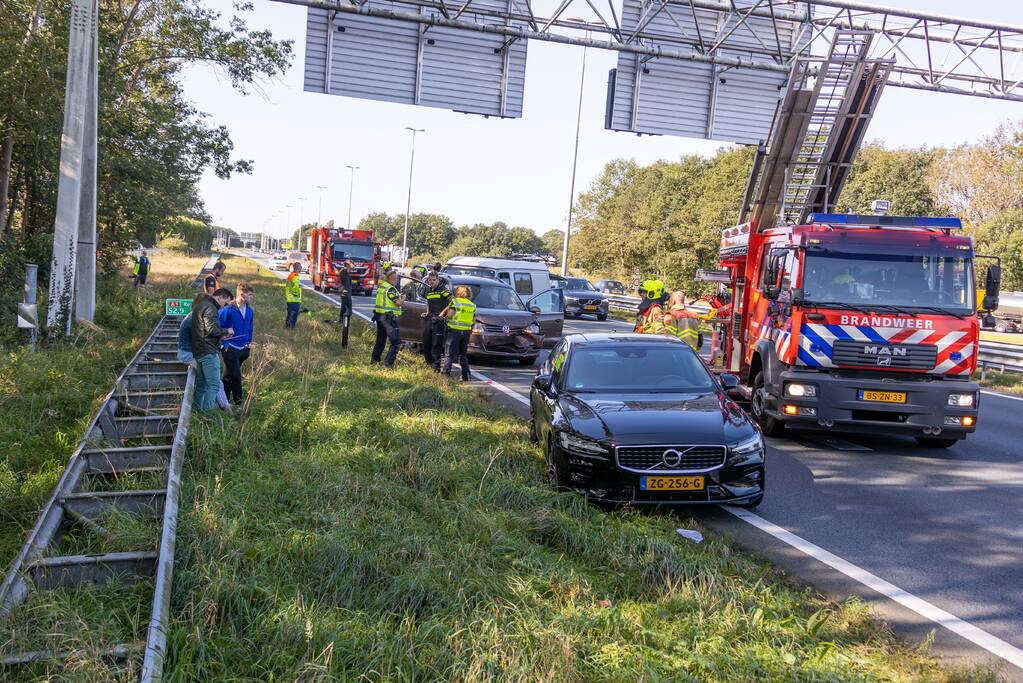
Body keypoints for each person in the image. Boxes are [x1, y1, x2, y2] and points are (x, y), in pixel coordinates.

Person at [190, 288, 233, 412]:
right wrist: (226, 331)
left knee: (202, 384)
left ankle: (198, 411)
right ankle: (207, 414)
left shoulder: (201, 305)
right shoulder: (211, 308)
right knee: (214, 385)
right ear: (220, 297)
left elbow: (205, 330)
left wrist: (221, 335)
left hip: (199, 351)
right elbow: (211, 330)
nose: (225, 306)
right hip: (208, 351)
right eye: (226, 302)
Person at [220, 284, 254, 405]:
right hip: (230, 347)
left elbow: (250, 328)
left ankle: (223, 401)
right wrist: (224, 344)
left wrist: (249, 342)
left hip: (243, 348)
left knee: (228, 375)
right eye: (250, 295)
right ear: (242, 295)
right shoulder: (228, 310)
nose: (252, 297)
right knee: (236, 375)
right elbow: (218, 326)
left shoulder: (250, 310)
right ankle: (239, 403)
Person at [441, 284, 476, 381]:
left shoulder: (455, 302)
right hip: (466, 332)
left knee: (449, 354)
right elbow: (473, 320)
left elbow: (450, 315)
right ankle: (466, 376)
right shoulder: (471, 305)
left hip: (454, 331)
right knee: (463, 354)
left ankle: (445, 375)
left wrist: (445, 316)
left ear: (458, 293)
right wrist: (470, 330)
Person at [371, 268, 403, 367]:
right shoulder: (390, 289)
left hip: (379, 316)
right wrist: (403, 298)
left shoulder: (382, 286)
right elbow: (398, 303)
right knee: (396, 341)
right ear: (389, 278)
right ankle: (387, 364)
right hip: (388, 318)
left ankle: (374, 361)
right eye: (394, 278)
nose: (396, 280)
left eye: (397, 278)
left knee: (380, 340)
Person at [421, 271, 451, 371]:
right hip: (430, 319)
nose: (432, 282)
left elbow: (452, 302)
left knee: (436, 345)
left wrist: (443, 313)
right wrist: (427, 313)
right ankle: (428, 364)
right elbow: (428, 303)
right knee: (426, 343)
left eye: (434, 280)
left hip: (439, 321)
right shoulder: (429, 290)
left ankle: (436, 367)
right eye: (430, 280)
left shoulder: (443, 290)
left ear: (438, 280)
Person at [285, 261, 302, 329]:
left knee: (289, 314)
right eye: (300, 267)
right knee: (294, 314)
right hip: (294, 299)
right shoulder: (295, 276)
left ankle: (287, 326)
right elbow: (295, 288)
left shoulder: (291, 275)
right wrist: (297, 295)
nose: (301, 268)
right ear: (298, 268)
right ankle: (291, 327)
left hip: (289, 298)